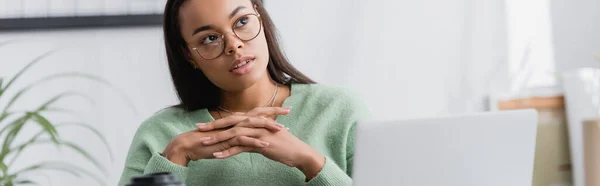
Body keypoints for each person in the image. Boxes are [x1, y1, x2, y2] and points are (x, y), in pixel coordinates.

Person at [117, 0, 368, 185]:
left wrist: (310, 161)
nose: (234, 45)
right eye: (209, 38)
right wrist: (174, 156)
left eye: (242, 22)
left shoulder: (340, 110)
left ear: (259, 15)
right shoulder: (158, 134)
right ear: (188, 55)